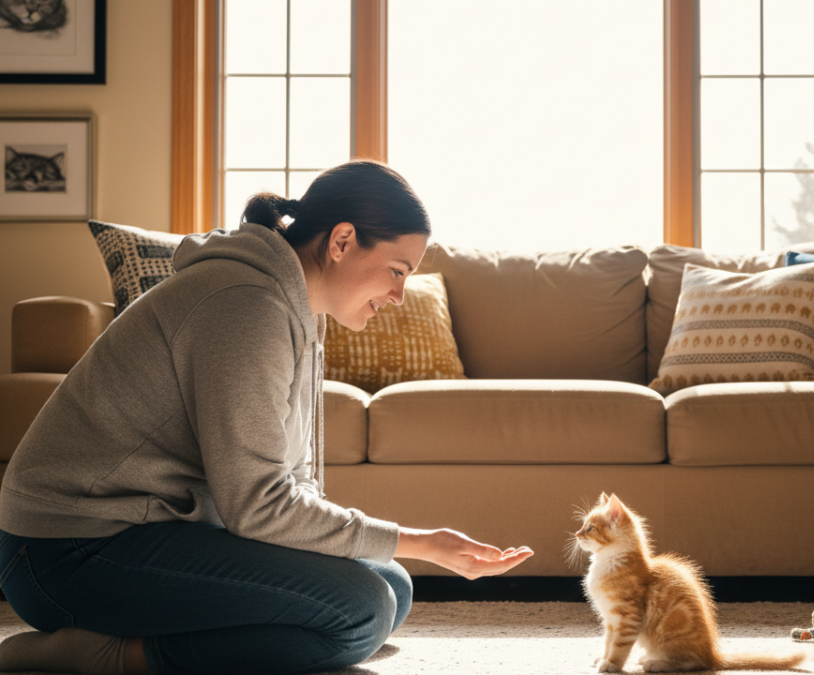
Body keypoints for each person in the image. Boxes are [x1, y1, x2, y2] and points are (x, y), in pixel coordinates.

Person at [0, 160, 533, 675]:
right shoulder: (245, 306)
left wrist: (391, 549)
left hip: (146, 531)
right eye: (397, 272)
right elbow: (258, 506)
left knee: (391, 585)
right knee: (363, 609)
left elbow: (289, 477)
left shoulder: (292, 307)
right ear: (342, 241)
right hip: (66, 552)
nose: (398, 295)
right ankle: (102, 656)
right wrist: (424, 542)